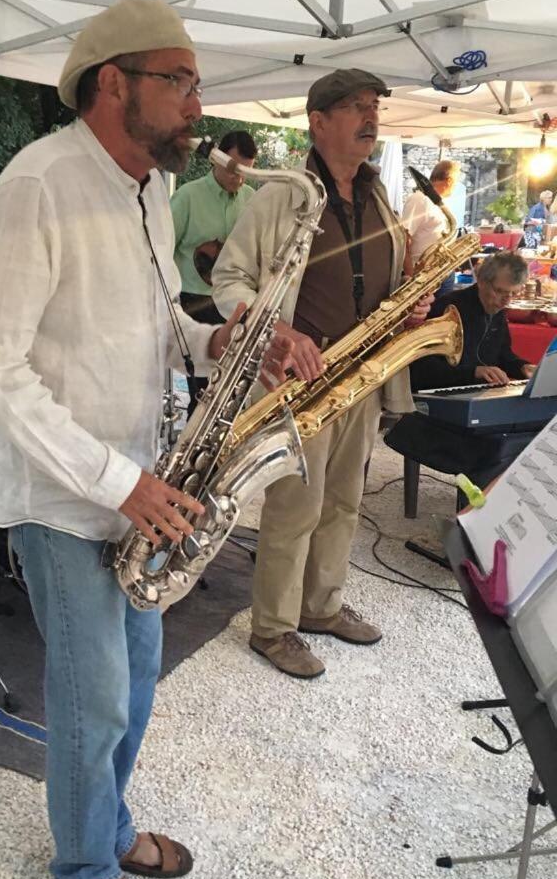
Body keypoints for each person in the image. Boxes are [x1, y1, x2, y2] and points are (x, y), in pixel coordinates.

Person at [0, 0, 290, 879]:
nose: (197, 104)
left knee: (137, 682)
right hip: (68, 497)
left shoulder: (146, 187)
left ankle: (106, 823)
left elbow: (154, 327)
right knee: (94, 692)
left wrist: (221, 340)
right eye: (178, 82)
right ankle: (85, 866)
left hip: (144, 483)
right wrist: (121, 482)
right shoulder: (37, 185)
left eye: (196, 85)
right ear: (115, 84)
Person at [212, 67, 432, 681]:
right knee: (296, 506)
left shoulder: (379, 194)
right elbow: (228, 279)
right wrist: (279, 332)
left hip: (362, 372)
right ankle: (274, 628)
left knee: (345, 501)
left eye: (375, 109)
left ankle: (322, 606)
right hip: (302, 380)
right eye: (358, 108)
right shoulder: (280, 194)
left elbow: (383, 278)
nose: (371, 119)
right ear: (318, 121)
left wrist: (408, 300)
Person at [170, 130, 256, 415]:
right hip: (196, 302)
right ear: (216, 159)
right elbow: (160, 250)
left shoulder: (252, 199)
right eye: (233, 170)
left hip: (237, 305)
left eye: (246, 171)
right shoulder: (187, 196)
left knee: (234, 392)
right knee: (204, 393)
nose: (238, 178)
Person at [411, 251, 535, 390]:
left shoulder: (497, 308)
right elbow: (422, 369)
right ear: (481, 281)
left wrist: (522, 367)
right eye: (500, 291)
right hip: (442, 394)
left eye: (514, 293)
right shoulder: (448, 308)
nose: (507, 300)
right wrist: (474, 372)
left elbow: (502, 354)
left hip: (476, 392)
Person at [402, 159, 461, 297]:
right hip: (423, 276)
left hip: (440, 272)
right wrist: (411, 279)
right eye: (456, 182)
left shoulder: (439, 204)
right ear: (450, 180)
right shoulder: (420, 199)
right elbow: (403, 238)